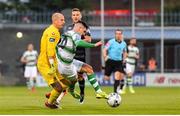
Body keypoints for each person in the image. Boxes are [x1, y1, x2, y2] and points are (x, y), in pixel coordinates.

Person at [46, 21, 108, 108]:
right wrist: (94, 45)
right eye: (84, 32)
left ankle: (99, 92)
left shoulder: (67, 33)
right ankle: (70, 91)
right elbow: (78, 43)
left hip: (66, 61)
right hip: (65, 65)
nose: (83, 34)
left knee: (88, 69)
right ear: (80, 28)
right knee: (75, 79)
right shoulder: (76, 35)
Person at [62, 8, 92, 104]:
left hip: (80, 55)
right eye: (74, 15)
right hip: (69, 56)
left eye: (77, 15)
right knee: (67, 77)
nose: (76, 16)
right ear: (72, 16)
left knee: (79, 77)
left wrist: (76, 42)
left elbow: (88, 40)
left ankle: (82, 93)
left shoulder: (85, 27)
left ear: (80, 16)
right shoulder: (68, 28)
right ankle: (58, 97)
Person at [37, 12, 65, 109]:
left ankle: (52, 94)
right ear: (55, 20)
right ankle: (50, 103)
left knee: (66, 82)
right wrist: (52, 65)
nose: (63, 22)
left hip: (52, 62)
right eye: (61, 20)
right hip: (46, 64)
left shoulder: (54, 31)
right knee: (59, 87)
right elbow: (50, 50)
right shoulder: (53, 32)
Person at [103, 29, 127, 94]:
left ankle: (115, 92)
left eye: (119, 34)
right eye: (117, 34)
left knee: (118, 76)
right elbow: (104, 49)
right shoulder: (111, 42)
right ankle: (104, 69)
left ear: (122, 35)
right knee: (106, 78)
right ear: (115, 35)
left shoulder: (124, 43)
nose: (118, 35)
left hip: (118, 62)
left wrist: (124, 60)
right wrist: (105, 56)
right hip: (110, 61)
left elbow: (125, 52)